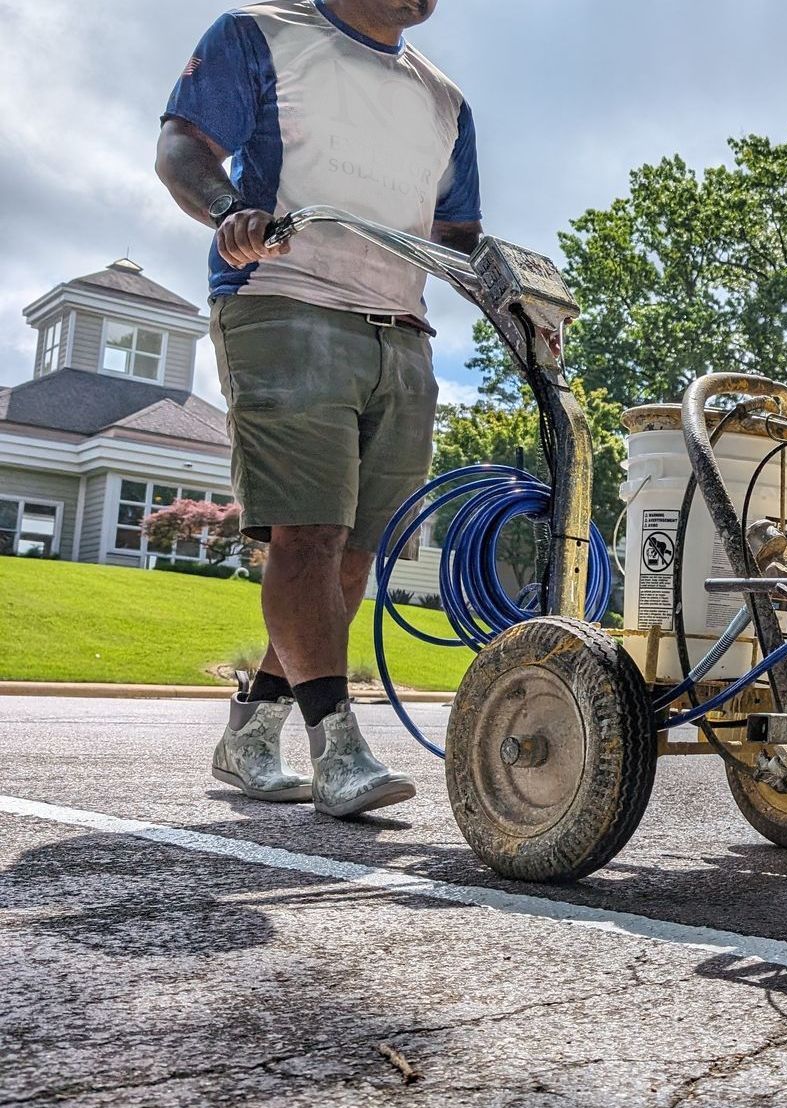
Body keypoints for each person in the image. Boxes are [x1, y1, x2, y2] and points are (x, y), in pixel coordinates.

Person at [155, 0, 481, 817]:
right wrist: (229, 210)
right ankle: (339, 748)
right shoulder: (259, 33)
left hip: (401, 330)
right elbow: (182, 148)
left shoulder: (446, 101)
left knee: (354, 555)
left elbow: (459, 234)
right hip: (284, 300)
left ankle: (251, 733)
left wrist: (516, 299)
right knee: (308, 533)